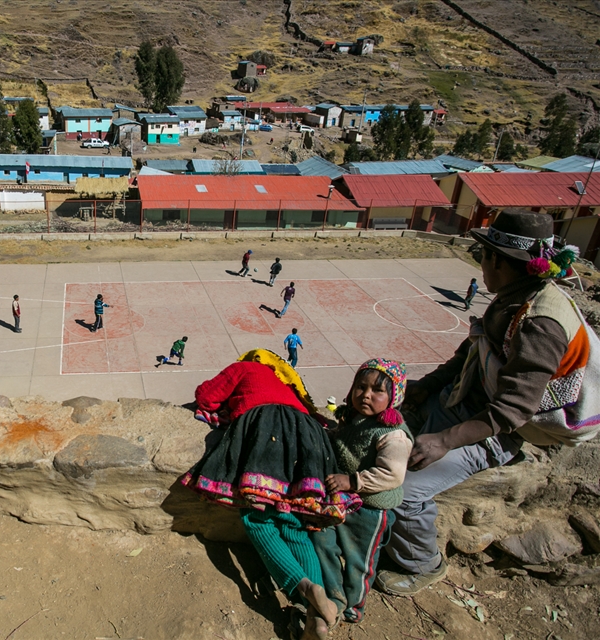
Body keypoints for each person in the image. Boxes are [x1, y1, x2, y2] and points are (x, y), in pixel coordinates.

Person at [377, 209, 600, 596]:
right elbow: (472, 351)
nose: (480, 264)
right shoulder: (514, 298)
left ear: (501, 261)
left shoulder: (540, 325)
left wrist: (445, 440)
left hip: (493, 431)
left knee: (404, 490)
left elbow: (513, 410)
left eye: (483, 256)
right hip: (465, 400)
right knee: (384, 431)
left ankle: (422, 563)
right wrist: (427, 386)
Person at [183, 350, 361, 638]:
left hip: (267, 429)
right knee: (292, 523)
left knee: (258, 518)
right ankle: (316, 617)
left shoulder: (244, 368)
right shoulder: (288, 385)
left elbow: (206, 396)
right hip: (306, 435)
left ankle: (303, 588)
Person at [312, 359, 413, 626]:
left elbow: (391, 474)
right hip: (344, 501)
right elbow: (345, 441)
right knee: (323, 541)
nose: (366, 395)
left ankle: (354, 606)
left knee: (360, 561)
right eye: (360, 387)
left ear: (394, 398)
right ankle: (335, 597)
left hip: (369, 510)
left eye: (377, 391)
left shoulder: (393, 435)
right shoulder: (354, 417)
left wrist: (352, 481)